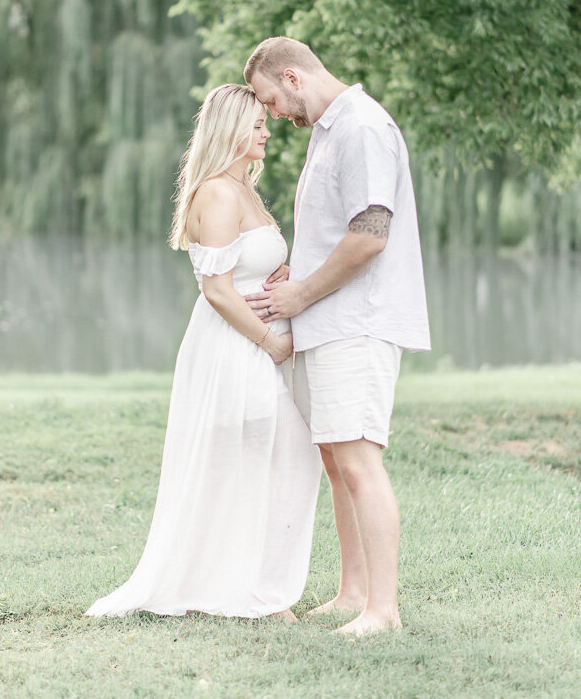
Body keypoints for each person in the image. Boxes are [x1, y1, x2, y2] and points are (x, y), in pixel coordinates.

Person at [86, 84, 321, 621]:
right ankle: (245, 591)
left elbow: (243, 267)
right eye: (258, 124)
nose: (268, 131)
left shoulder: (246, 191)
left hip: (257, 345)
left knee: (278, 454)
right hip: (235, 347)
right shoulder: (216, 192)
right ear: (233, 130)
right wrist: (271, 343)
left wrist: (278, 275)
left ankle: (253, 585)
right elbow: (216, 289)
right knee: (259, 453)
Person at [244, 38, 431, 636]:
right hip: (327, 322)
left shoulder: (362, 128)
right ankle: (353, 594)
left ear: (293, 78)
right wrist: (292, 275)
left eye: (270, 100)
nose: (272, 114)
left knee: (359, 458)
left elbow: (371, 232)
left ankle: (384, 610)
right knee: (335, 460)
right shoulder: (328, 132)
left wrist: (300, 294)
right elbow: (332, 233)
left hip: (359, 322)